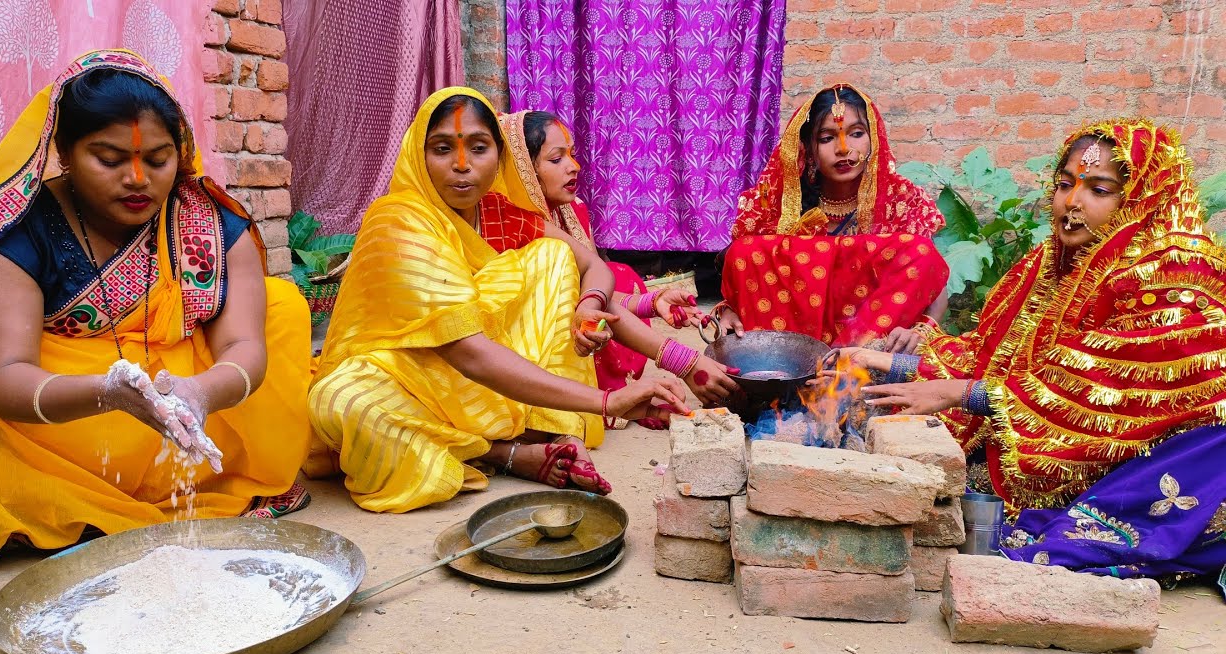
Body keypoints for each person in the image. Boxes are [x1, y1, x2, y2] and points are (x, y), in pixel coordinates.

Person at [0, 50, 314, 577]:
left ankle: (217, 478)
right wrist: (110, 393)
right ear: (64, 152)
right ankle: (51, 498)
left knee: (281, 307)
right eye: (110, 159)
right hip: (59, 425)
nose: (138, 179)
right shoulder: (13, 229)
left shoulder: (207, 222)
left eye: (158, 160)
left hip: (182, 410)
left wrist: (200, 393)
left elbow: (245, 346)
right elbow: (3, 377)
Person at [844, 119, 1226, 586]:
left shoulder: (1176, 273)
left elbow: (1103, 391)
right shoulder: (1048, 263)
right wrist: (896, 364)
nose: (1072, 202)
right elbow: (990, 357)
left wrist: (962, 393)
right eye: (1065, 184)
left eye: (1098, 190)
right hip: (1058, 438)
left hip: (1167, 445)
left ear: (1142, 199)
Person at [308, 87, 688, 513]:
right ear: (418, 155)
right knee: (341, 401)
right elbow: (467, 352)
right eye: (442, 149)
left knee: (552, 256)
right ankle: (501, 452)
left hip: (495, 369)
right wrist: (606, 402)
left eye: (478, 148)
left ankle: (551, 431)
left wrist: (587, 305)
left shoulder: (499, 212)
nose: (462, 165)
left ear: (500, 156)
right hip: (419, 373)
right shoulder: (398, 219)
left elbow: (592, 267)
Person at [492, 110, 738, 408]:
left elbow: (593, 292)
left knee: (619, 275)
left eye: (571, 155)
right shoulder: (508, 224)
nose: (574, 166)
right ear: (520, 169)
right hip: (516, 353)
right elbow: (576, 297)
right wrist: (683, 361)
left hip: (581, 315)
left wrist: (653, 303)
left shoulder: (572, 209)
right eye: (556, 159)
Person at [719, 84, 949, 347]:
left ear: (874, 139)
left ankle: (844, 357)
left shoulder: (901, 201)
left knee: (920, 251)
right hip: (792, 337)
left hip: (869, 341)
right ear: (808, 149)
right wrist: (729, 310)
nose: (843, 148)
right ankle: (785, 359)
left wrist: (923, 329)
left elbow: (931, 279)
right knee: (745, 250)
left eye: (857, 134)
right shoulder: (780, 204)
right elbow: (749, 276)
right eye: (827, 138)